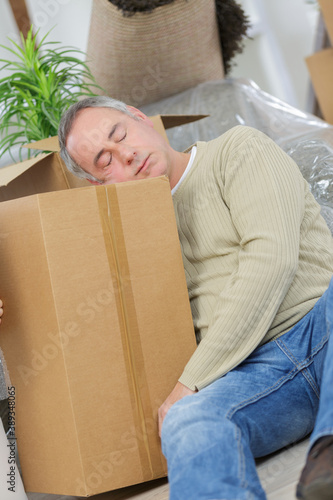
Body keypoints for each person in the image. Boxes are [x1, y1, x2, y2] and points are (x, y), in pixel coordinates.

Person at [58, 96, 333, 500]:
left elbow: (271, 261)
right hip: (254, 375)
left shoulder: (238, 149)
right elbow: (82, 321)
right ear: (98, 185)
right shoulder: (132, 236)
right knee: (185, 419)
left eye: (121, 134)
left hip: (322, 322)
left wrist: (190, 381)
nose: (127, 154)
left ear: (141, 119)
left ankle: (326, 456)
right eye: (106, 161)